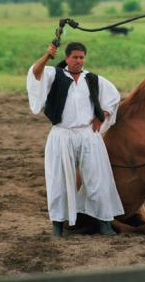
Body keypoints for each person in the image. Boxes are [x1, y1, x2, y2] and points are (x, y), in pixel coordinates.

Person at [27, 41, 124, 237]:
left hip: (89, 135)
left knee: (98, 179)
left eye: (81, 57)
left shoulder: (93, 79)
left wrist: (102, 115)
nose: (79, 61)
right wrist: (47, 55)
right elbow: (35, 73)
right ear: (67, 58)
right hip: (62, 135)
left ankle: (104, 222)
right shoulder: (55, 75)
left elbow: (113, 96)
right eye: (75, 57)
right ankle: (57, 224)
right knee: (59, 181)